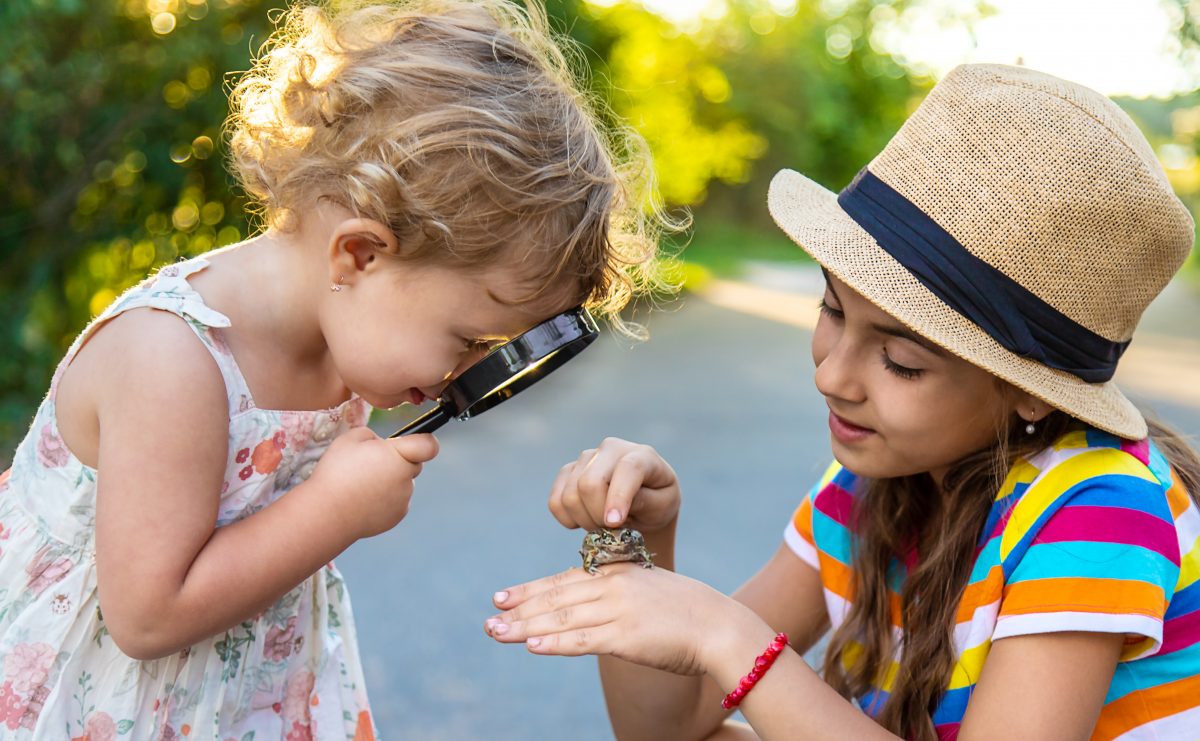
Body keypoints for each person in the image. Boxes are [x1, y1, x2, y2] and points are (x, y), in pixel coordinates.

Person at [0, 0, 666, 736]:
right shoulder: (173, 360)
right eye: (469, 338)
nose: (466, 372)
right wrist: (333, 510)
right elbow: (148, 615)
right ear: (361, 253)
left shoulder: (342, 338)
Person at [484, 63, 1200, 740]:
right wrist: (633, 552)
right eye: (832, 310)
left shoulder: (1101, 510)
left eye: (899, 360)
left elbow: (730, 656)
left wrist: (726, 634)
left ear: (1029, 392)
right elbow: (665, 727)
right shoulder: (867, 486)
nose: (834, 375)